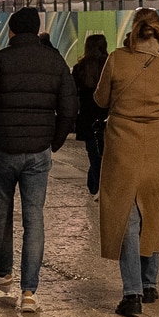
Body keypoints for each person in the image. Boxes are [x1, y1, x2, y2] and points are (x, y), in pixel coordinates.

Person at [0, 7, 77, 313]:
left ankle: (4, 272)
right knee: (35, 219)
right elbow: (70, 107)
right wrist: (54, 141)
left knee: (2, 213)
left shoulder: (1, 60)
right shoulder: (55, 61)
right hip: (38, 153)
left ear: (13, 32)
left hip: (3, 150)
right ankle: (29, 292)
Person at [94, 8, 159, 317]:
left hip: (123, 144)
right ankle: (149, 284)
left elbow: (100, 99)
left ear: (133, 30)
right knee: (156, 212)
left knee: (127, 217)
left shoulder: (117, 59)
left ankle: (131, 293)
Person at [71, 33, 110, 198]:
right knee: (107, 153)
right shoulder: (109, 65)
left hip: (87, 117)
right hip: (106, 114)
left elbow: (74, 94)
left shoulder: (79, 68)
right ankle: (97, 185)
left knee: (93, 152)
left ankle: (95, 185)